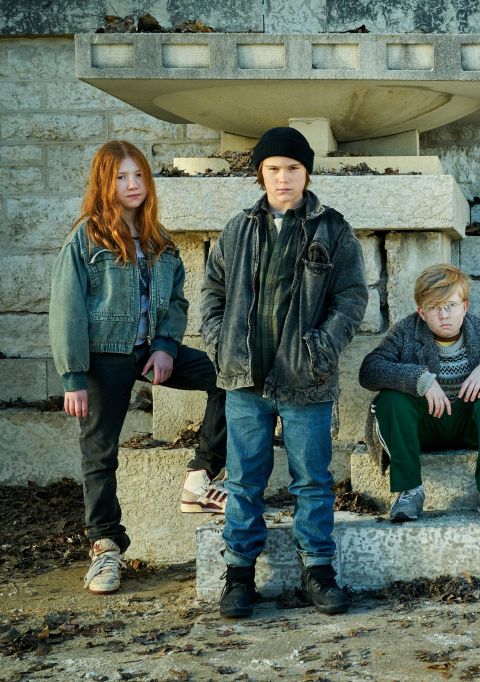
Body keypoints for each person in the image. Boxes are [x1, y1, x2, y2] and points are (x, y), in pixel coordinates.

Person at [201, 127, 368, 618]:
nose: (283, 178)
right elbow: (213, 291)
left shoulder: (332, 229)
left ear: (306, 173)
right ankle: (238, 576)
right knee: (243, 482)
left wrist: (321, 348)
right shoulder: (238, 229)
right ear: (261, 173)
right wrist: (219, 342)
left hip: (305, 380)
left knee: (312, 480)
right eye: (273, 168)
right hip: (245, 380)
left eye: (293, 168)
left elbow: (351, 297)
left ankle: (318, 571)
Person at [49, 141, 227, 595]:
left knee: (229, 376)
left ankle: (200, 477)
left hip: (148, 352)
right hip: (102, 357)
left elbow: (177, 301)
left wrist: (165, 346)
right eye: (121, 177)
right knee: (100, 453)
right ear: (104, 183)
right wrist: (73, 377)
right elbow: (67, 310)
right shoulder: (86, 239)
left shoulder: (158, 240)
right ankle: (105, 548)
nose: (132, 185)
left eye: (139, 175)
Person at [359, 264, 480, 522]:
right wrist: (419, 379)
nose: (444, 314)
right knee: (390, 399)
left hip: (470, 425)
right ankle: (409, 491)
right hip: (423, 426)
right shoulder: (405, 332)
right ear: (421, 312)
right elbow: (369, 371)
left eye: (451, 305)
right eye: (434, 307)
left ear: (465, 306)